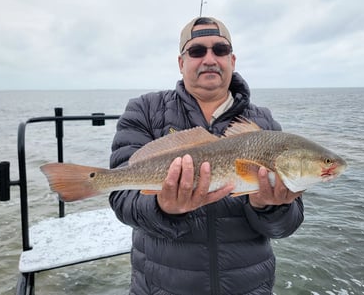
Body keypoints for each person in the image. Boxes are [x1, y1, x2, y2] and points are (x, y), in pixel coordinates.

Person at [109, 16, 304, 295]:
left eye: (220, 50)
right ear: (181, 63)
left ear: (232, 60)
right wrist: (163, 208)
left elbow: (286, 226)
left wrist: (271, 207)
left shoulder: (263, 124)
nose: (209, 59)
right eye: (197, 51)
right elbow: (122, 199)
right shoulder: (145, 110)